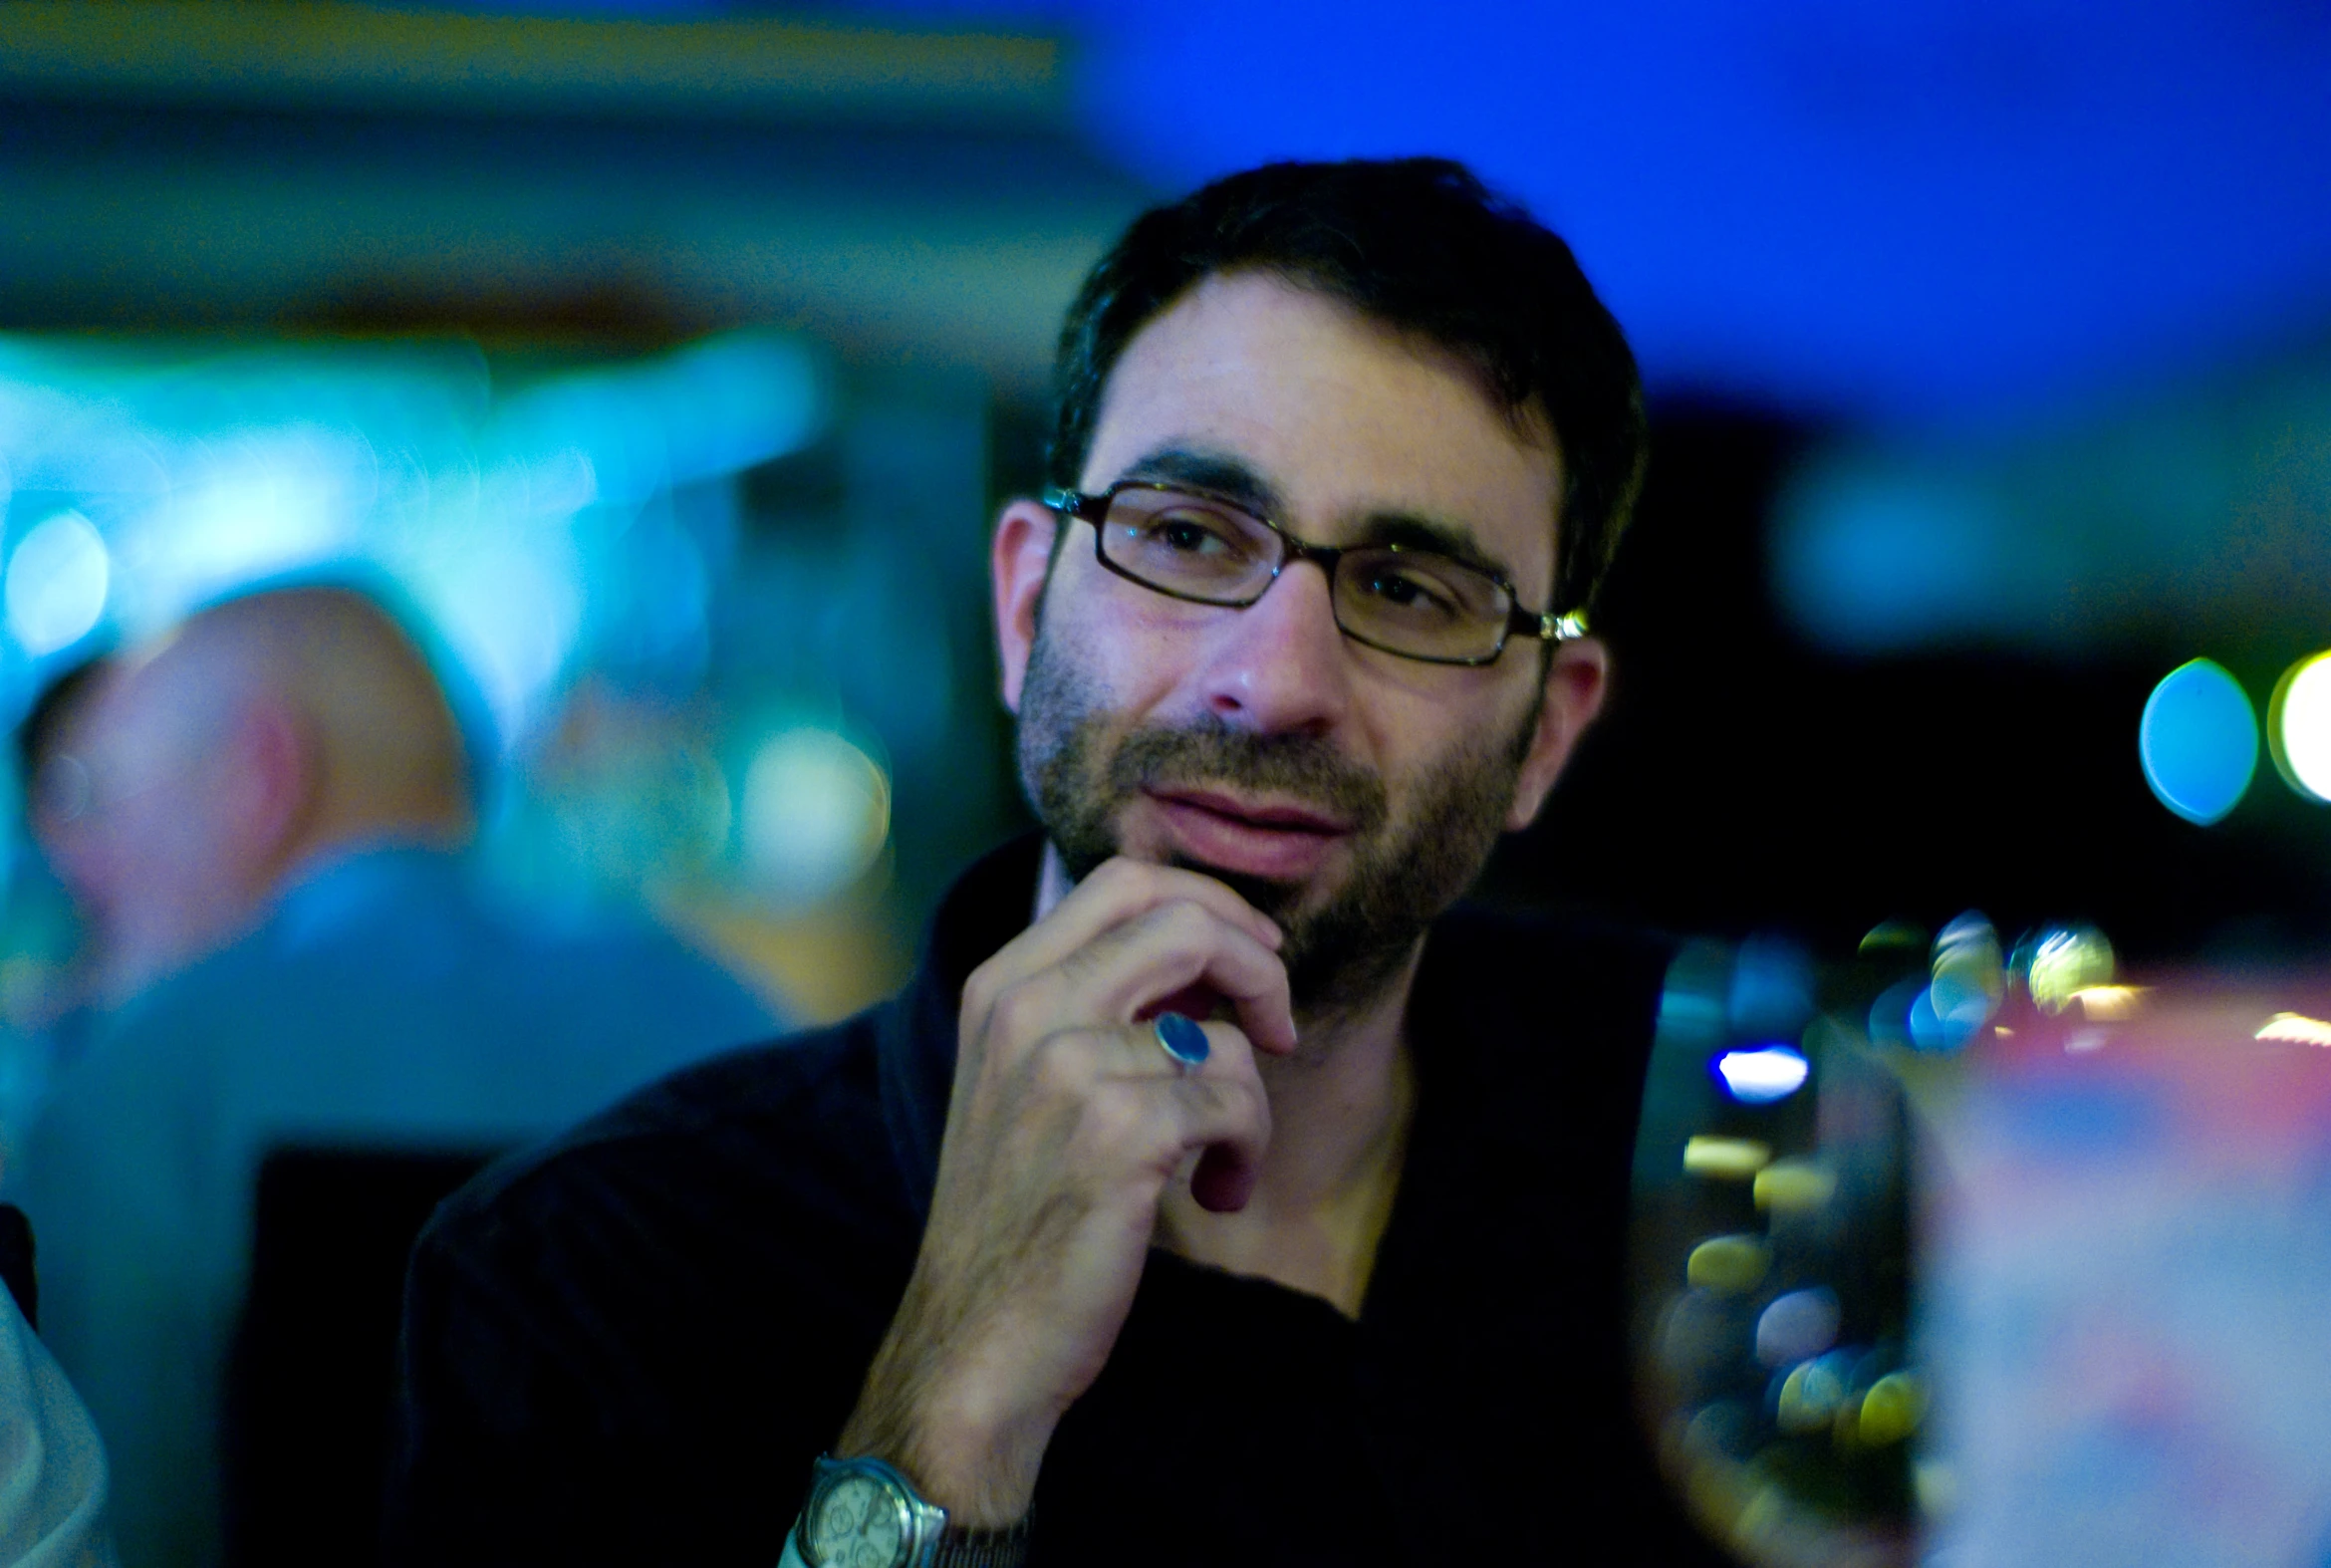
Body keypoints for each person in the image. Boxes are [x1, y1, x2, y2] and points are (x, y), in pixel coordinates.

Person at [390, 158, 1727, 1566]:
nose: (1273, 684)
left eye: (1407, 590)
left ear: (1544, 736)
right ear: (1027, 604)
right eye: (1189, 536)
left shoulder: (1745, 1178)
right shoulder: (586, 1275)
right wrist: (952, 1402)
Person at [10, 586, 782, 1568]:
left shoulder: (145, 1086)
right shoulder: (728, 1018)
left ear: (261, 773)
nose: (78, 860)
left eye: (103, 796)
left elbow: (112, 1529)